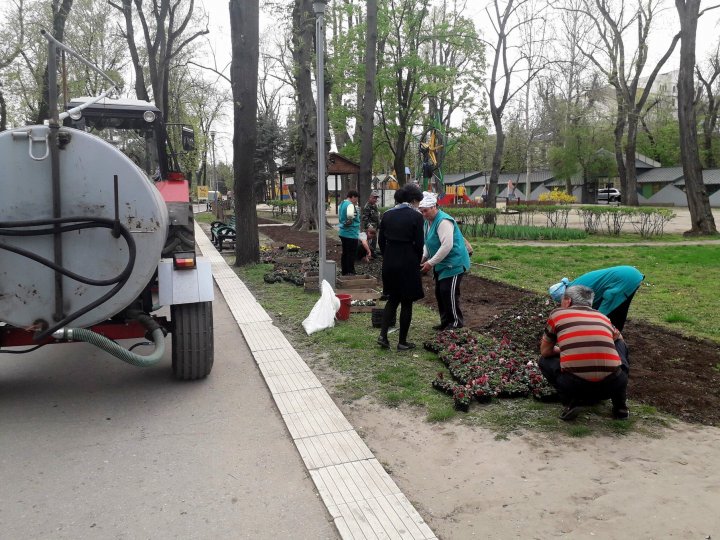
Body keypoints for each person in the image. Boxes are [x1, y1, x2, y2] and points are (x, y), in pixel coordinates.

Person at [539, 285, 630, 421]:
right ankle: (620, 406)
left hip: (575, 385)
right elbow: (620, 339)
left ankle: (571, 402)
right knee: (620, 344)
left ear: (568, 301)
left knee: (544, 361)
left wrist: (564, 350)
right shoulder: (603, 317)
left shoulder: (557, 314)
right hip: (613, 384)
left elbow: (545, 351)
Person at [376, 184, 425, 351]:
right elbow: (419, 243)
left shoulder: (387, 215)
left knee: (392, 299)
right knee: (407, 302)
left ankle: (383, 336)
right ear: (411, 200)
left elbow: (380, 241)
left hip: (390, 260)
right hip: (408, 260)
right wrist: (416, 260)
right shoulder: (416, 216)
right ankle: (402, 342)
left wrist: (387, 255)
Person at [419, 192, 472, 331]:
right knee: (440, 293)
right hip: (442, 263)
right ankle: (445, 322)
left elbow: (446, 246)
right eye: (421, 211)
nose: (423, 213)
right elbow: (428, 242)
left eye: (426, 210)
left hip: (454, 262)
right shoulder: (427, 222)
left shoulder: (443, 221)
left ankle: (455, 323)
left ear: (434, 207)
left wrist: (430, 263)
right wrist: (423, 257)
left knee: (448, 292)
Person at [549, 265, 644, 331]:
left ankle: (613, 338)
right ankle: (613, 334)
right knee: (616, 311)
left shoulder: (575, 292)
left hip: (625, 280)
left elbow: (582, 311)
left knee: (609, 314)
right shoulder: (573, 284)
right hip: (630, 274)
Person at [338, 190, 360, 275]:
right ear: (353, 197)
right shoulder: (350, 205)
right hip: (350, 233)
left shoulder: (342, 203)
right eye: (356, 198)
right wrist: (348, 223)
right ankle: (350, 271)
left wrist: (343, 223)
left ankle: (344, 271)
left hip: (343, 233)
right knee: (351, 254)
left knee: (345, 253)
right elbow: (350, 219)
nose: (356, 201)